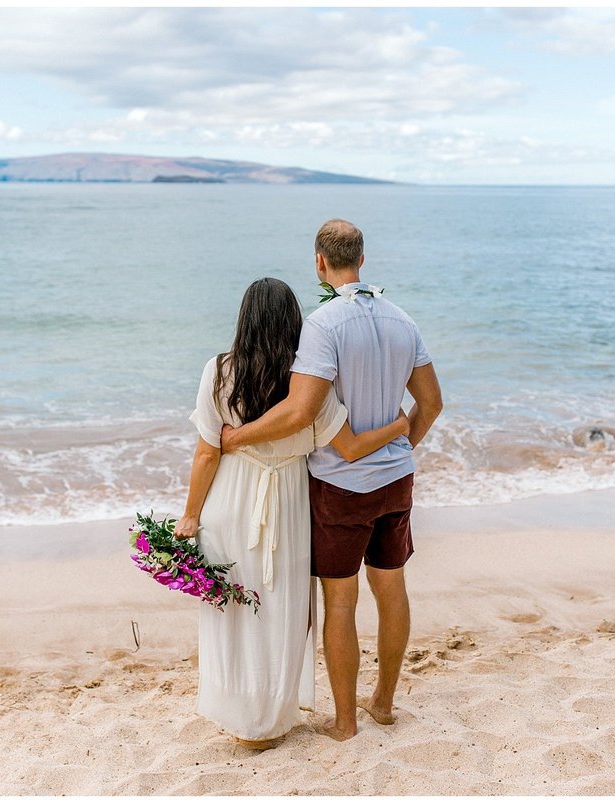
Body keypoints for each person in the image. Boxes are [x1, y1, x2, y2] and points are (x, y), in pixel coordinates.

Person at [221, 219, 443, 741]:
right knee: (392, 588)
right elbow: (431, 403)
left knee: (341, 602)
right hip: (396, 480)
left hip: (342, 486)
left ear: (319, 262)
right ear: (361, 260)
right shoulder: (402, 320)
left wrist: (238, 437)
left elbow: (300, 412)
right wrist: (399, 448)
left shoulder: (324, 324)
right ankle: (384, 704)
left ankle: (346, 722)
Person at [172, 277, 410, 750]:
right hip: (288, 503)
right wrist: (400, 425)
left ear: (244, 320)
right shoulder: (310, 385)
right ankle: (274, 716)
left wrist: (191, 514)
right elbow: (353, 446)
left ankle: (241, 716)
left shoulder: (218, 371)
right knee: (282, 609)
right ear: (293, 325)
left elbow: (206, 454)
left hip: (230, 499)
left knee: (234, 606)